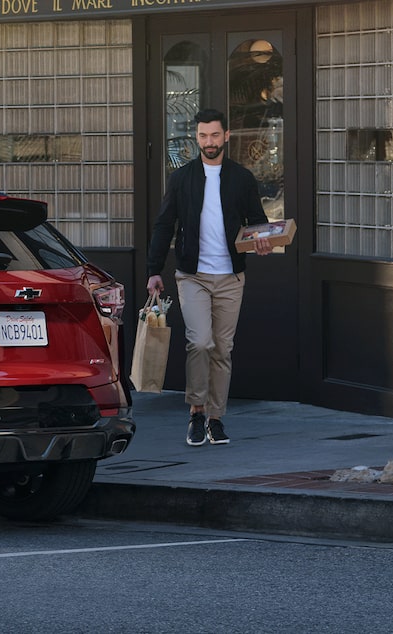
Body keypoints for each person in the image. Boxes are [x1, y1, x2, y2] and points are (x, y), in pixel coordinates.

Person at [146, 108, 273, 447]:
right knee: (200, 342)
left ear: (226, 136)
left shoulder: (242, 178)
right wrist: (153, 270)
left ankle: (216, 418)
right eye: (203, 136)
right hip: (193, 276)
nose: (209, 142)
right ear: (197, 138)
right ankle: (196, 411)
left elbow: (257, 222)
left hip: (231, 277)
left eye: (215, 135)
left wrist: (261, 241)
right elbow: (163, 225)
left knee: (222, 349)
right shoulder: (182, 177)